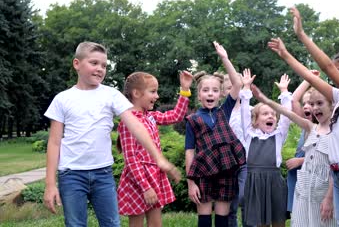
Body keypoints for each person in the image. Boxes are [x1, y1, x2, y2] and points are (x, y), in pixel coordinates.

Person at [43, 41, 181, 227]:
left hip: (103, 174)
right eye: (94, 63)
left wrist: (159, 158)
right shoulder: (62, 99)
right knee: (75, 224)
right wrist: (50, 184)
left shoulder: (111, 95)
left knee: (112, 223)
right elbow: (54, 143)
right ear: (77, 64)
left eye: (104, 65)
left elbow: (136, 126)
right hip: (71, 174)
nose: (100, 69)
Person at [268, 7, 339, 227]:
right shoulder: (338, 97)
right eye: (335, 71)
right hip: (338, 174)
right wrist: (285, 55)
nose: (333, 74)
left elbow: (326, 66)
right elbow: (308, 74)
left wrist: (301, 35)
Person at [253, 80, 337, 226]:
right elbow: (287, 113)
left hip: (323, 189)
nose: (314, 108)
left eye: (319, 103)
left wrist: (329, 198)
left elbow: (335, 169)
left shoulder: (336, 133)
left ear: (332, 105)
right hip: (304, 189)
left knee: (323, 222)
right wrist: (265, 99)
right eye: (312, 104)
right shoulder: (311, 127)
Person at [116, 70, 193, 227]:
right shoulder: (128, 122)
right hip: (138, 180)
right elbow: (131, 159)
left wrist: (184, 90)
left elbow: (175, 116)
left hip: (155, 175)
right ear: (136, 93)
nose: (157, 96)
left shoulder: (149, 116)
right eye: (152, 91)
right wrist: (145, 187)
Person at [185, 41, 246, 227]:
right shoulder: (193, 119)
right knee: (204, 219)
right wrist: (191, 183)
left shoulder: (224, 111)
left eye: (214, 90)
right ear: (199, 94)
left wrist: (224, 58)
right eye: (205, 90)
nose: (210, 94)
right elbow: (189, 152)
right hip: (202, 173)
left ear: (220, 94)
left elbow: (237, 83)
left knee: (222, 220)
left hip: (226, 171)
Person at [239, 70, 292, 227]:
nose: (270, 116)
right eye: (265, 114)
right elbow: (244, 111)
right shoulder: (249, 135)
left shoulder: (278, 135)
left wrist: (284, 92)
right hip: (254, 183)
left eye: (273, 114)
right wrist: (246, 88)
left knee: (277, 221)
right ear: (255, 120)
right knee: (261, 222)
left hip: (274, 183)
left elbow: (287, 115)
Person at [223, 73, 251, 227]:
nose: (234, 90)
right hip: (227, 163)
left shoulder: (250, 110)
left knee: (244, 197)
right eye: (229, 87)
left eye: (237, 86)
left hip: (245, 161)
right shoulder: (222, 113)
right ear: (223, 92)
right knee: (230, 204)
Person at [285, 79, 313, 218]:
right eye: (305, 103)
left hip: (311, 176)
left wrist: (299, 161)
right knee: (298, 214)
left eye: (311, 103)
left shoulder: (323, 127)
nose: (306, 106)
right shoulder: (305, 123)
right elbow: (294, 100)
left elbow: (325, 154)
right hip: (297, 176)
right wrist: (308, 79)